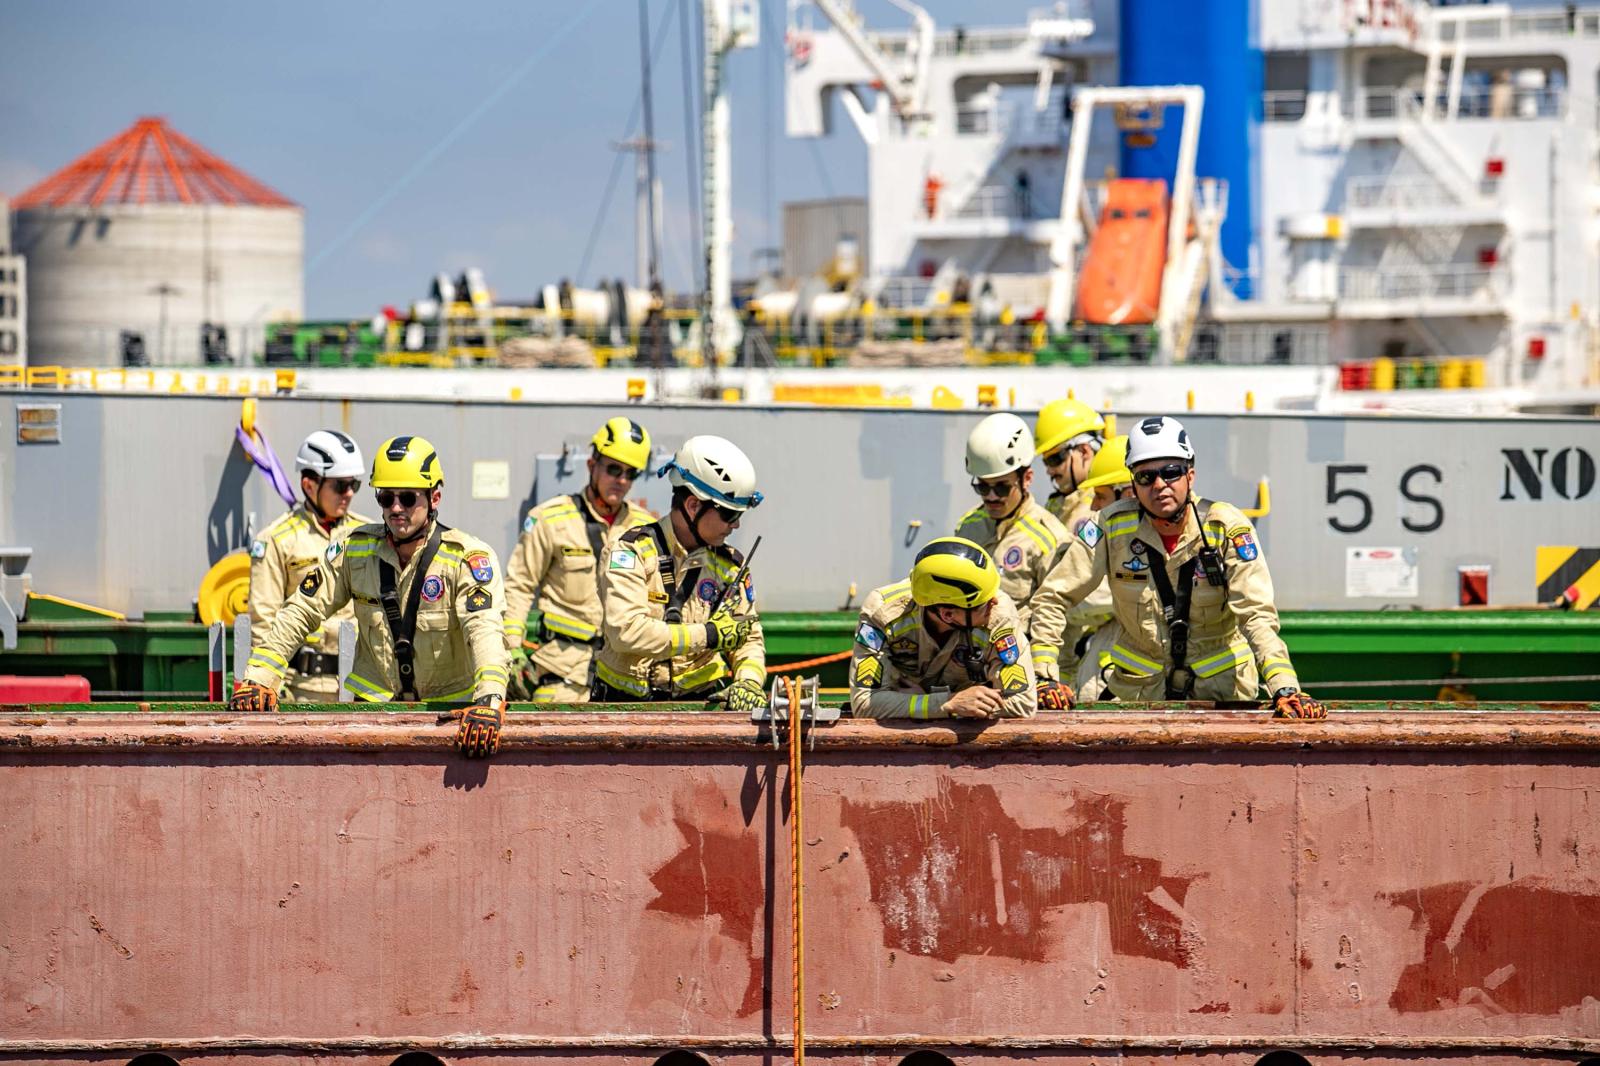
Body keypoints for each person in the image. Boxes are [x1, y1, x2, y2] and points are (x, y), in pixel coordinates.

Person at [231, 435, 513, 756]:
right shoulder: (355, 550)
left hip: (447, 717)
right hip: (374, 718)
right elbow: (302, 610)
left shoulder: (465, 558)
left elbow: (485, 630)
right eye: (385, 498)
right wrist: (261, 677)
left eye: (407, 498)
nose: (395, 508)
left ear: (434, 497)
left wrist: (490, 700)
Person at [1031, 416, 1326, 718]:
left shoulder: (1225, 527)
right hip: (1139, 699)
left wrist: (1285, 686)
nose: (1159, 485)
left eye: (1170, 473)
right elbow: (1052, 597)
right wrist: (1043, 674)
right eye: (1146, 477)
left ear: (1191, 475)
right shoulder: (1108, 527)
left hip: (1222, 700)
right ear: (1133, 483)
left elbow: (1256, 614)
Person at [593, 435, 766, 708]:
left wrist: (748, 680)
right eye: (730, 515)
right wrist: (708, 635)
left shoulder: (731, 568)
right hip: (624, 711)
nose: (736, 526)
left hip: (702, 707)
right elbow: (626, 632)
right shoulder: (629, 553)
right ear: (693, 505)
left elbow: (749, 638)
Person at [502, 418, 657, 703]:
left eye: (630, 473)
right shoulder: (548, 519)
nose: (621, 480)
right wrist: (511, 648)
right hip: (563, 674)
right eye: (613, 469)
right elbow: (520, 586)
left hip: (626, 677)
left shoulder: (646, 529)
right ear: (591, 464)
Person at [954, 413, 1075, 708]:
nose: (991, 497)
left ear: (1027, 479)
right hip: (972, 674)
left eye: (1002, 487)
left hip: (1023, 676)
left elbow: (1054, 612)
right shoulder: (967, 527)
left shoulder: (1049, 538)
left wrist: (1043, 675)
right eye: (982, 487)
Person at [850, 537, 1036, 719]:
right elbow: (865, 704)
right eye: (982, 603)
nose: (994, 602)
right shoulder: (883, 613)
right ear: (947, 614)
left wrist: (915, 704)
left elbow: (1022, 703)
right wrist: (946, 703)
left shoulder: (999, 615)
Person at [248, 430, 370, 702]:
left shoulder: (367, 536)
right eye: (340, 485)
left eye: (354, 485)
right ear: (309, 485)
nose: (349, 493)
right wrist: (268, 686)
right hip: (301, 690)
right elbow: (263, 619)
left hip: (362, 688)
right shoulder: (277, 540)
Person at [1069, 434, 1133, 702]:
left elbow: (1088, 599)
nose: (1093, 505)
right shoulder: (1101, 529)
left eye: (1100, 496)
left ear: (1127, 494)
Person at [1034, 397, 1106, 531]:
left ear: (1084, 451)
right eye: (1046, 461)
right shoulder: (1058, 502)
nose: (1049, 471)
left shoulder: (1103, 505)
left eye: (1055, 459)